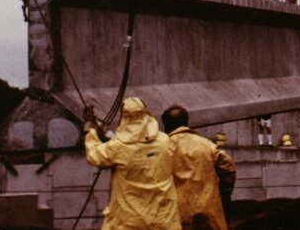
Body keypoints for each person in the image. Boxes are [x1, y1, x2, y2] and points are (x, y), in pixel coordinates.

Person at [83, 97, 180, 230]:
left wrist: (89, 128)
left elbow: (94, 154)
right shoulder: (165, 141)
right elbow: (139, 144)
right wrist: (105, 131)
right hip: (163, 219)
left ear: (124, 117)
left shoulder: (118, 147)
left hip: (129, 221)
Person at [161, 105, 235, 230]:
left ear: (166, 125)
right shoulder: (207, 144)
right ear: (186, 122)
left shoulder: (164, 146)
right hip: (208, 212)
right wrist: (223, 196)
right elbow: (229, 168)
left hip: (178, 214)